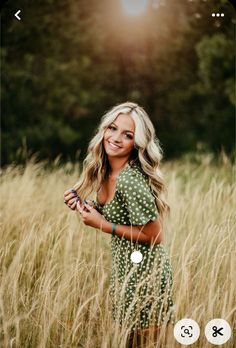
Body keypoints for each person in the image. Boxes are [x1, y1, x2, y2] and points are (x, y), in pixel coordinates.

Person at [64, 101, 174, 347]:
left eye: (127, 134)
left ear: (137, 143)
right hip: (124, 272)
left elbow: (156, 236)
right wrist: (86, 205)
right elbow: (117, 214)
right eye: (112, 128)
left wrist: (101, 224)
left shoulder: (129, 180)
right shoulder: (106, 172)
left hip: (147, 277)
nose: (115, 138)